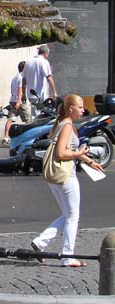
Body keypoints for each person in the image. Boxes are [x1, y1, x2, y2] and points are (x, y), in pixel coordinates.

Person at [31, 93, 103, 267]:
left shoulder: (60, 123)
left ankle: (41, 242)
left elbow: (70, 147)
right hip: (65, 174)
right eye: (79, 107)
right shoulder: (67, 126)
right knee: (73, 216)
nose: (82, 109)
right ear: (71, 109)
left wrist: (89, 161)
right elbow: (62, 153)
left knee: (67, 214)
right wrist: (79, 154)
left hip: (55, 175)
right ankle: (67, 256)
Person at [21, 44, 57, 114]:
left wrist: (23, 94)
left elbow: (24, 80)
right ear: (46, 53)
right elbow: (49, 78)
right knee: (40, 115)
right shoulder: (44, 62)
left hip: (30, 95)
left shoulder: (28, 62)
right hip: (40, 95)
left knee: (34, 114)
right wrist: (54, 92)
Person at [3, 60, 28, 144]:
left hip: (12, 100)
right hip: (19, 101)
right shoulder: (21, 78)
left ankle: (6, 137)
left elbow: (11, 89)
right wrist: (19, 101)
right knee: (27, 120)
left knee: (10, 119)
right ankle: (28, 137)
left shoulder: (14, 77)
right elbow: (20, 89)